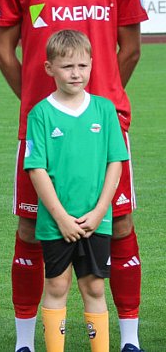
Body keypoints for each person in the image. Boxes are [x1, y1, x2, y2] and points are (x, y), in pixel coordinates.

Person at [0, 0, 148, 352]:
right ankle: (24, 342)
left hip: (106, 125)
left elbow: (130, 49)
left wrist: (96, 106)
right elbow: (4, 51)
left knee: (120, 224)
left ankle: (129, 338)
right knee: (29, 228)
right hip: (42, 128)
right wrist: (44, 107)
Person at [25, 30, 128, 352]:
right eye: (67, 66)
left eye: (82, 66)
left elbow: (115, 162)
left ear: (92, 65)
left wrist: (99, 212)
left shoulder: (104, 110)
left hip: (96, 220)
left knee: (95, 288)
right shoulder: (40, 114)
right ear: (49, 68)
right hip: (56, 222)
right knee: (57, 285)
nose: (76, 73)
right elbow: (36, 169)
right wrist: (61, 218)